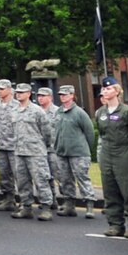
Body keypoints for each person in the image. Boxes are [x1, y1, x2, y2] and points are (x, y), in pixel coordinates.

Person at [94, 78, 128, 237]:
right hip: (107, 153)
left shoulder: (127, 111)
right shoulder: (100, 112)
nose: (105, 91)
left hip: (124, 152)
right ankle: (115, 224)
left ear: (117, 91)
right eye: (103, 89)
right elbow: (102, 133)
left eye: (108, 89)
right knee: (110, 190)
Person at [11, 84, 56, 222]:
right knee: (22, 182)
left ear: (29, 93)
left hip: (36, 152)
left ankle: (46, 207)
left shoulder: (37, 111)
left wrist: (43, 145)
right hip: (19, 151)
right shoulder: (14, 111)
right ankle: (26, 207)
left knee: (41, 180)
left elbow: (47, 132)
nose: (19, 94)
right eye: (17, 92)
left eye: (22, 92)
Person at [52, 85, 97, 219]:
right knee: (64, 179)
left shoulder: (79, 112)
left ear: (72, 95)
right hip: (62, 151)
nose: (63, 97)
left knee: (82, 178)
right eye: (61, 95)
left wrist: (86, 149)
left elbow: (89, 132)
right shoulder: (58, 112)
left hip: (78, 152)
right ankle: (69, 205)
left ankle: (89, 205)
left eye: (65, 95)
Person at [0, 79, 22, 209]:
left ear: (10, 90)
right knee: (4, 173)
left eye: (2, 89)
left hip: (15, 146)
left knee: (19, 174)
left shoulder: (17, 105)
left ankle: (24, 201)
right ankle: (8, 199)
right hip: (2, 145)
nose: (0, 91)